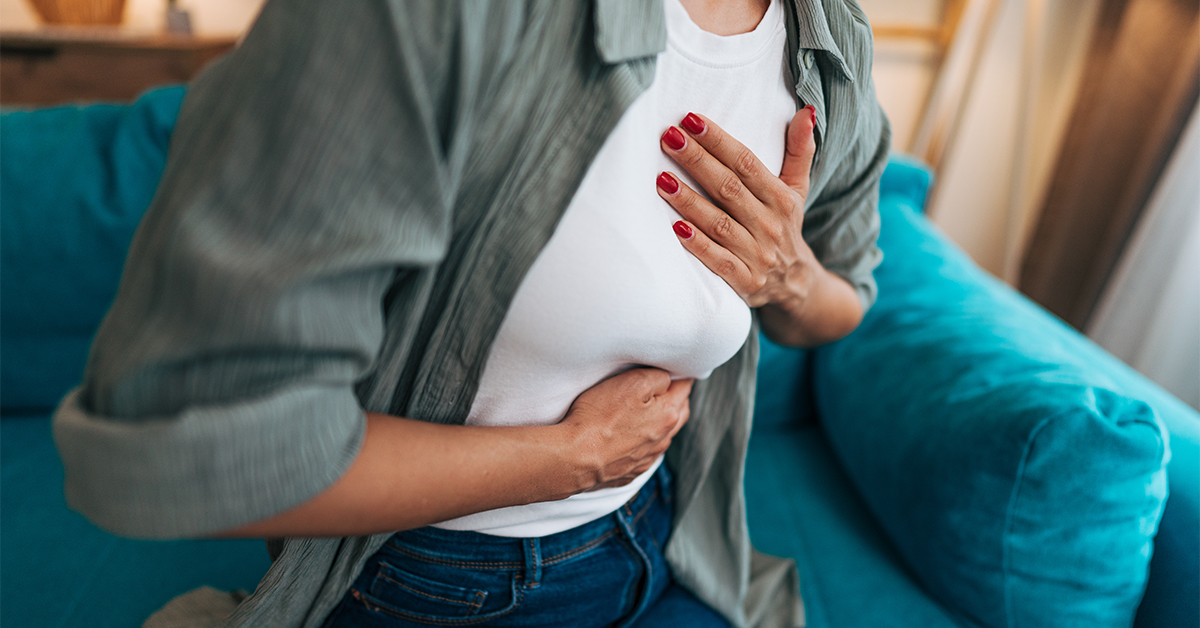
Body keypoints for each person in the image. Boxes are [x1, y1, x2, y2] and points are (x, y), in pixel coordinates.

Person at [52, 0, 890, 626]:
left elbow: (844, 303)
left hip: (675, 537)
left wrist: (790, 276)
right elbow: (199, 452)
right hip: (438, 577)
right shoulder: (428, 19)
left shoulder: (831, 45)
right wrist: (570, 459)